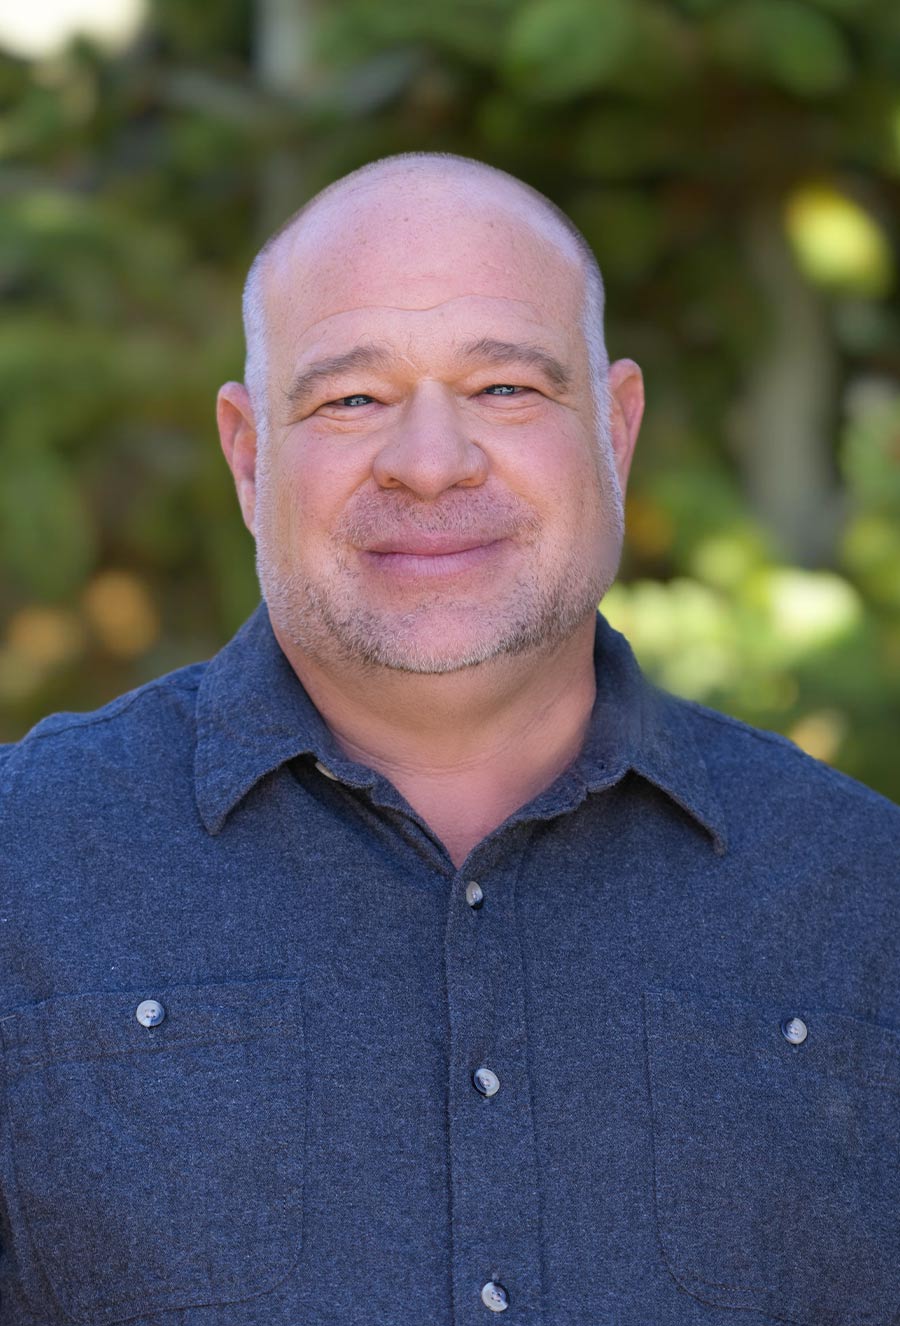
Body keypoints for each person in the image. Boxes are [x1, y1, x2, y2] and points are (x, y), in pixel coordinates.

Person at [0, 153, 896, 1326]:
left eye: (504, 387)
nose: (429, 464)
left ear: (615, 429)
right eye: (352, 400)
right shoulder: (23, 865)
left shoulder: (864, 896)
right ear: (250, 454)